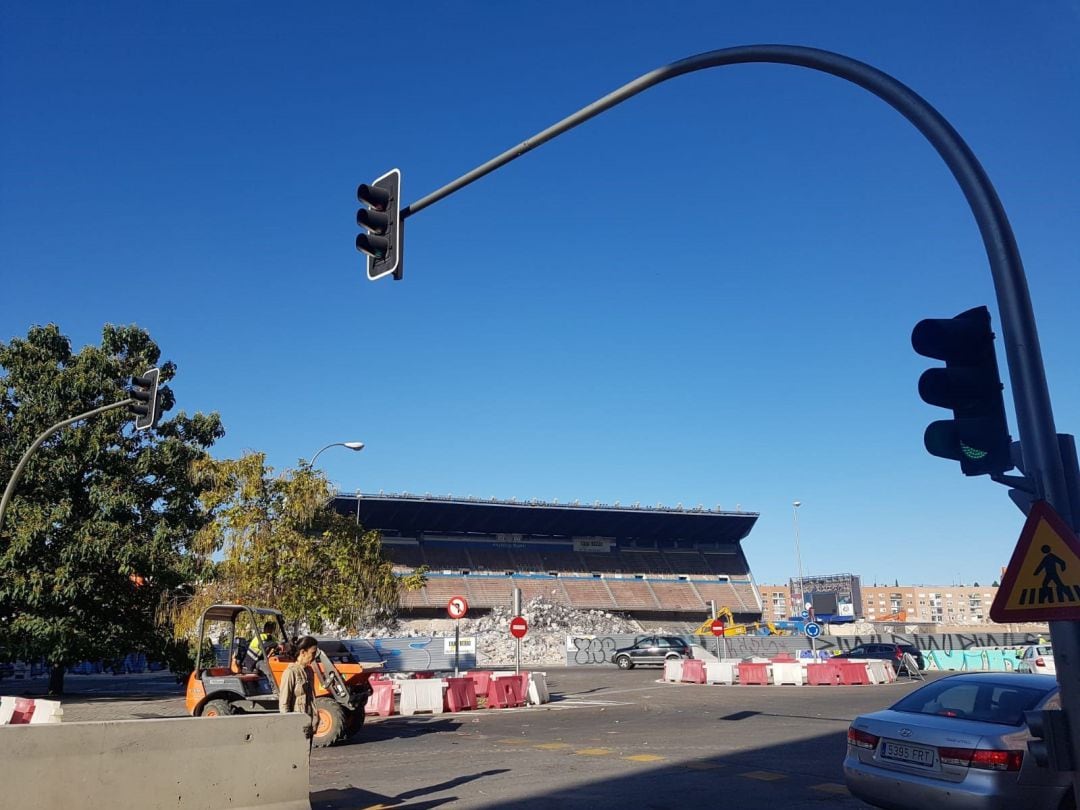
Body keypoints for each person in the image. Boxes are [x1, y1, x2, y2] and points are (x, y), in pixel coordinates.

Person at [279, 635, 320, 748]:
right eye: (313, 653)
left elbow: (312, 698)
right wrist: (289, 728)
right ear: (303, 652)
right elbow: (284, 704)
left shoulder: (309, 671)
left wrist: (316, 719)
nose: (314, 656)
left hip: (308, 724)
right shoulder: (290, 672)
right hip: (296, 726)